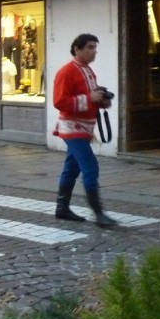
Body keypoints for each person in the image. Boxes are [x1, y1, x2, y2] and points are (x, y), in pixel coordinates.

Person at [52, 33, 117, 228]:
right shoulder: (66, 72)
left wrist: (102, 100)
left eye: (94, 48)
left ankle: (62, 208)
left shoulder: (88, 70)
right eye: (89, 47)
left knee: (72, 167)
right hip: (72, 128)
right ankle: (98, 213)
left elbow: (89, 96)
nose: (94, 51)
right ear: (77, 49)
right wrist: (90, 99)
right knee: (90, 166)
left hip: (85, 128)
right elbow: (59, 101)